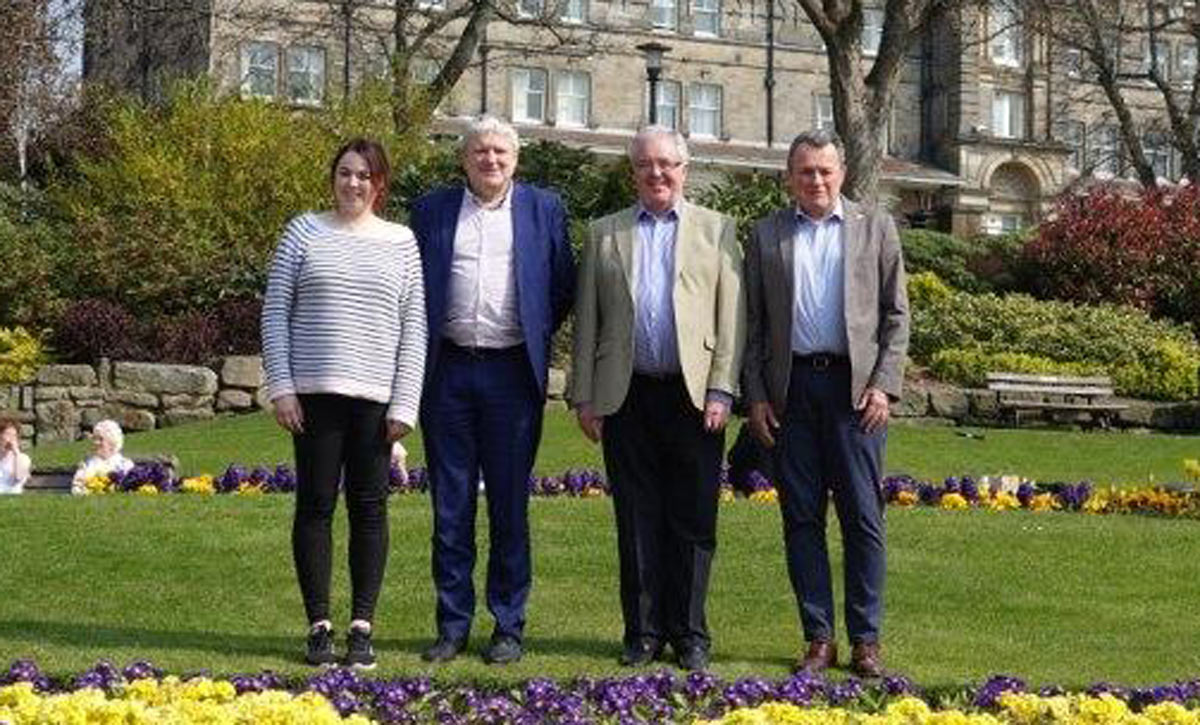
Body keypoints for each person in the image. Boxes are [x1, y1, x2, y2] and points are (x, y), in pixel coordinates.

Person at [569, 126, 745, 671]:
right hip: (626, 397)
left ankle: (689, 633)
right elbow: (587, 322)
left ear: (684, 169)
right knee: (637, 520)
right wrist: (584, 397)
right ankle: (642, 633)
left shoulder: (718, 231)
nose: (657, 174)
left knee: (693, 521)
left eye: (667, 164)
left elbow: (732, 317)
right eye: (645, 165)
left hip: (696, 400)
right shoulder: (605, 233)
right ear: (633, 172)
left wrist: (721, 388)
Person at [742, 129, 909, 678]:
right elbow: (755, 327)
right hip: (792, 394)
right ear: (789, 177)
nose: (815, 180)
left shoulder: (875, 227)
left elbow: (896, 317)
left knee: (863, 518)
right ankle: (818, 638)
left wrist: (884, 384)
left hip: (855, 393)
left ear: (841, 174)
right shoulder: (766, 235)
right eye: (805, 171)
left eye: (824, 170)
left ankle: (865, 640)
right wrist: (758, 396)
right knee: (801, 519)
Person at [410, 116, 575, 665]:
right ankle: (452, 625)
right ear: (464, 159)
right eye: (480, 151)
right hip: (449, 372)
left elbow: (561, 286)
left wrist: (533, 329)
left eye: (501, 151)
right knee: (450, 506)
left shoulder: (543, 208)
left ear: (516, 159)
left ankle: (508, 624)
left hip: (511, 374)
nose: (491, 160)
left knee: (509, 505)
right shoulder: (431, 210)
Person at [261, 138, 427, 670]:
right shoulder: (302, 232)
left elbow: (414, 328)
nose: (353, 183)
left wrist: (405, 404)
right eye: (344, 173)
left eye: (364, 175)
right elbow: (274, 315)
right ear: (333, 178)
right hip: (313, 397)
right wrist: (282, 387)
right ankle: (319, 626)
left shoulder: (401, 242)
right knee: (314, 505)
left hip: (376, 401)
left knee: (370, 509)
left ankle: (361, 627)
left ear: (379, 184)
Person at [71, 419, 135, 494]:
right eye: (94, 438)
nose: (96, 442)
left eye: (101, 439)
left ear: (112, 442)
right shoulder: (87, 465)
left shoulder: (125, 464)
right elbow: (76, 487)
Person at [0, 419, 31, 495]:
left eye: (14, 436)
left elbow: (18, 478)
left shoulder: (23, 458)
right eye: (7, 434)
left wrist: (16, 454)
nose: (10, 439)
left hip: (11, 494)